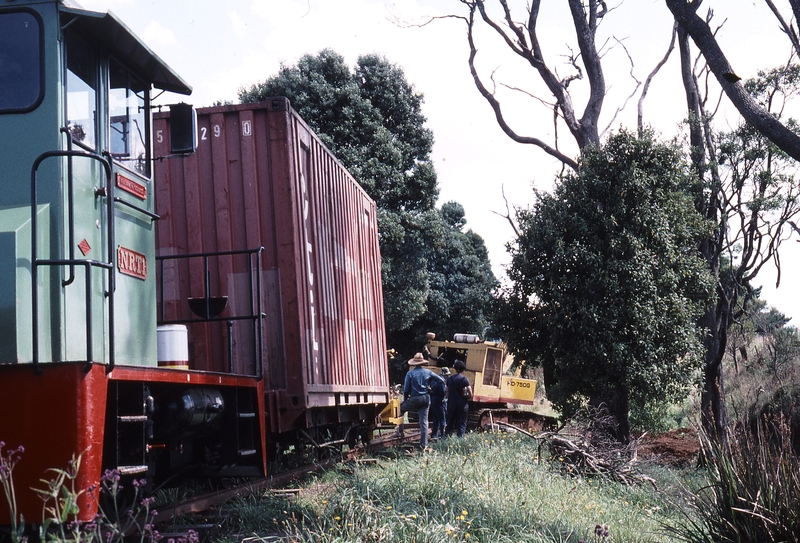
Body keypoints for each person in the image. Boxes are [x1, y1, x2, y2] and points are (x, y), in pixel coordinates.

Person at [399, 353, 445, 450]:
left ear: (414, 363)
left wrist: (405, 399)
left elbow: (406, 389)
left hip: (415, 398)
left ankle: (400, 433)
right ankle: (424, 445)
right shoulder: (428, 372)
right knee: (424, 421)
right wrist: (431, 388)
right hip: (426, 398)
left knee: (400, 410)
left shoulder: (410, 373)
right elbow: (441, 380)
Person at [445, 360, 472, 438]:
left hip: (452, 403)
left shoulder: (449, 379)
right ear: (463, 369)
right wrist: (468, 396)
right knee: (461, 423)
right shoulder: (465, 380)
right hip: (462, 404)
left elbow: (447, 392)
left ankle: (446, 438)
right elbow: (470, 392)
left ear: (455, 368)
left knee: (450, 422)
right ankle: (460, 439)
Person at [429, 367, 449, 440]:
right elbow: (443, 392)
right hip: (440, 401)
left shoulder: (434, 380)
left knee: (435, 419)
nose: (447, 376)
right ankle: (443, 436)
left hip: (433, 400)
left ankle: (434, 435)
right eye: (447, 375)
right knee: (442, 419)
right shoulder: (441, 381)